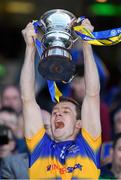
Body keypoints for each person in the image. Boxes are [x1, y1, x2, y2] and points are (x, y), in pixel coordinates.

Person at [20, 18, 101, 179]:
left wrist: (87, 43)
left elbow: (92, 94)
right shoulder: (39, 147)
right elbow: (27, 98)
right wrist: (30, 48)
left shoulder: (88, 146)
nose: (57, 114)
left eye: (66, 111)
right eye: (55, 111)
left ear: (79, 124)